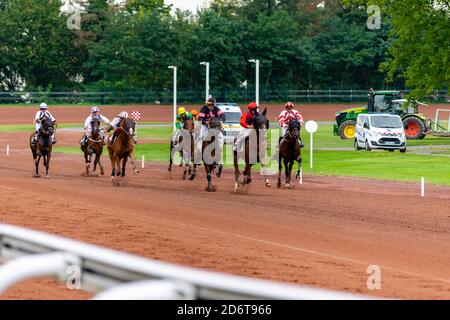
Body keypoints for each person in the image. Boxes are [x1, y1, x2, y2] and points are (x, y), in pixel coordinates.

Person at [196, 97, 226, 163]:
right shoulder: (204, 108)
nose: (208, 106)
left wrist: (221, 120)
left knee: (221, 137)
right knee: (201, 138)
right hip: (205, 126)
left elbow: (223, 115)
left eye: (209, 104)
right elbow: (200, 118)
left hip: (214, 127)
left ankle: (219, 150)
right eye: (207, 104)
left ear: (213, 105)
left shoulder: (216, 109)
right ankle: (199, 153)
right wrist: (205, 122)